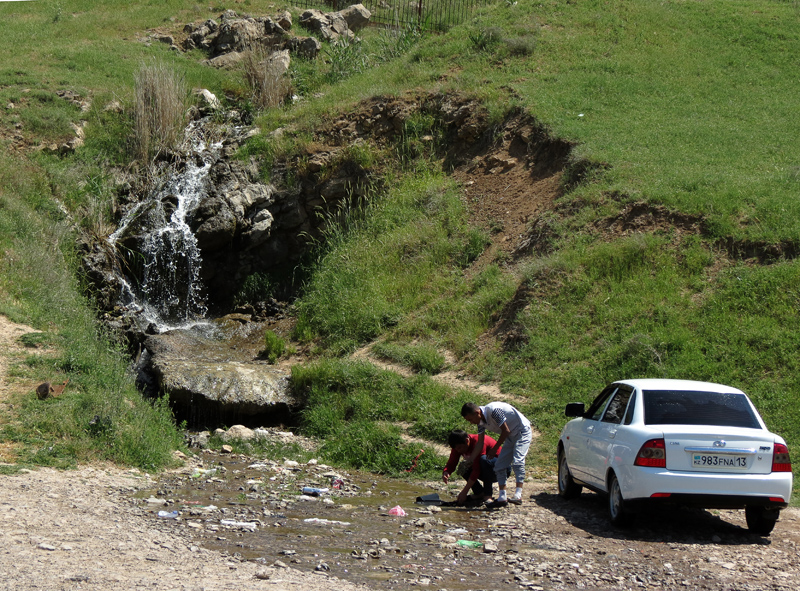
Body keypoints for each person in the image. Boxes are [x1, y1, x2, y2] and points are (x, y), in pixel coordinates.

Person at [461, 401, 532, 508]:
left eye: (470, 419)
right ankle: (502, 497)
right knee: (499, 466)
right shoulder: (480, 422)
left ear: (477, 412)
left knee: (517, 462)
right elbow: (480, 443)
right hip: (510, 437)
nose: (471, 422)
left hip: (522, 432)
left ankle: (518, 495)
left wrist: (494, 449)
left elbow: (506, 430)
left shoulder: (494, 410)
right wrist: (470, 459)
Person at [442, 429, 509, 506]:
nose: (458, 451)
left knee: (484, 460)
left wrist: (464, 491)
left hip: (501, 470)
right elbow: (452, 462)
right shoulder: (458, 447)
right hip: (484, 469)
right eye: (456, 449)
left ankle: (488, 495)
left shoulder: (478, 443)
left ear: (467, 441)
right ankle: (480, 493)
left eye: (460, 448)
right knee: (463, 467)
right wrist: (446, 471)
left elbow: (476, 470)